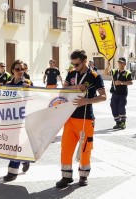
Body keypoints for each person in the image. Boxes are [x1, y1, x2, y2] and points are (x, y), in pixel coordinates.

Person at [56, 49, 106, 188]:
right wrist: (76, 86)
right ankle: (66, 176)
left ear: (84, 61)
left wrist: (87, 101)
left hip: (85, 119)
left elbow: (103, 96)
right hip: (70, 118)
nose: (74, 67)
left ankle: (83, 176)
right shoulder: (72, 73)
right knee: (66, 148)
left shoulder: (94, 75)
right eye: (73, 64)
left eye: (77, 64)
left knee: (85, 149)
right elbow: (62, 91)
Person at [3, 59, 33, 182]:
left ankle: (12, 171)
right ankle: (25, 159)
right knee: (11, 143)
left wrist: (29, 90)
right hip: (10, 119)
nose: (20, 71)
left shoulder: (27, 83)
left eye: (22, 69)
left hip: (22, 119)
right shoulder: (8, 84)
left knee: (15, 144)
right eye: (17, 69)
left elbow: (36, 97)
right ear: (12, 71)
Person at [109, 57, 133, 130]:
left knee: (121, 107)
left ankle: (123, 122)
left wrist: (121, 83)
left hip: (122, 94)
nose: (120, 64)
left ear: (124, 64)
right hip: (114, 93)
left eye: (121, 62)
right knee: (113, 107)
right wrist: (107, 65)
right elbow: (105, 73)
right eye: (119, 62)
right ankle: (118, 122)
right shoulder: (114, 71)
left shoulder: (127, 73)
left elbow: (131, 82)